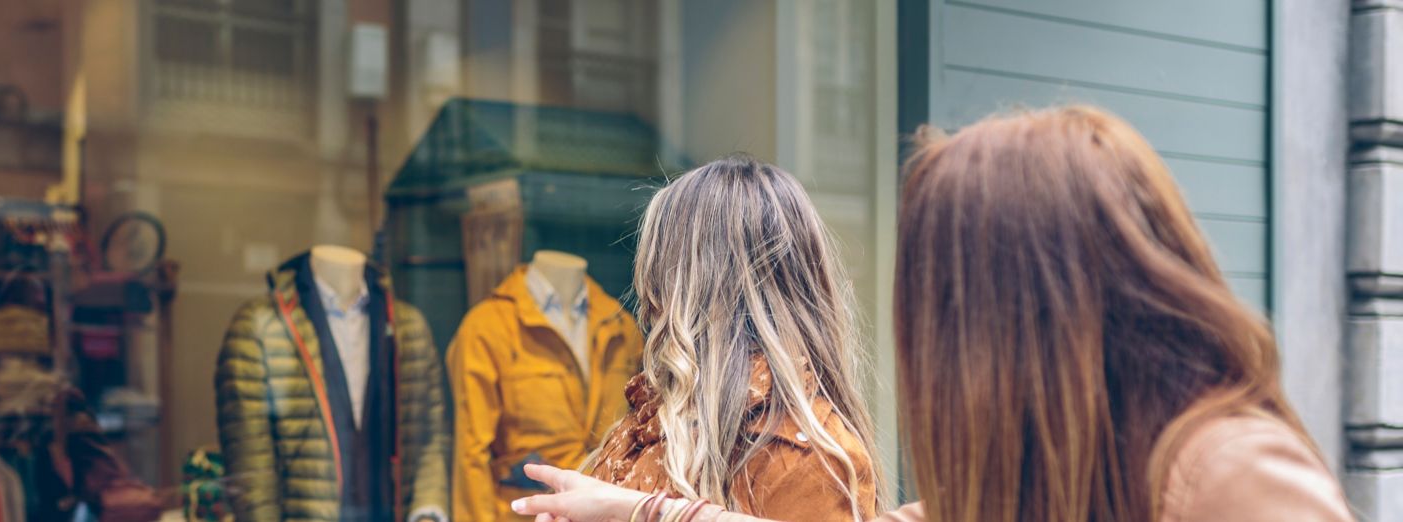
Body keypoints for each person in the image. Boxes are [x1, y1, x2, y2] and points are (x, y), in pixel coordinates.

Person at [508, 106, 1353, 522]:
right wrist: (636, 510)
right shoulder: (1033, 474)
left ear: (1032, 308)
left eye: (944, 300)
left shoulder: (1224, 470)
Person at [557, 155, 883, 522]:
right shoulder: (654, 419)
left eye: (658, 271)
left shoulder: (809, 460)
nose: (649, 300)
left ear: (685, 288)